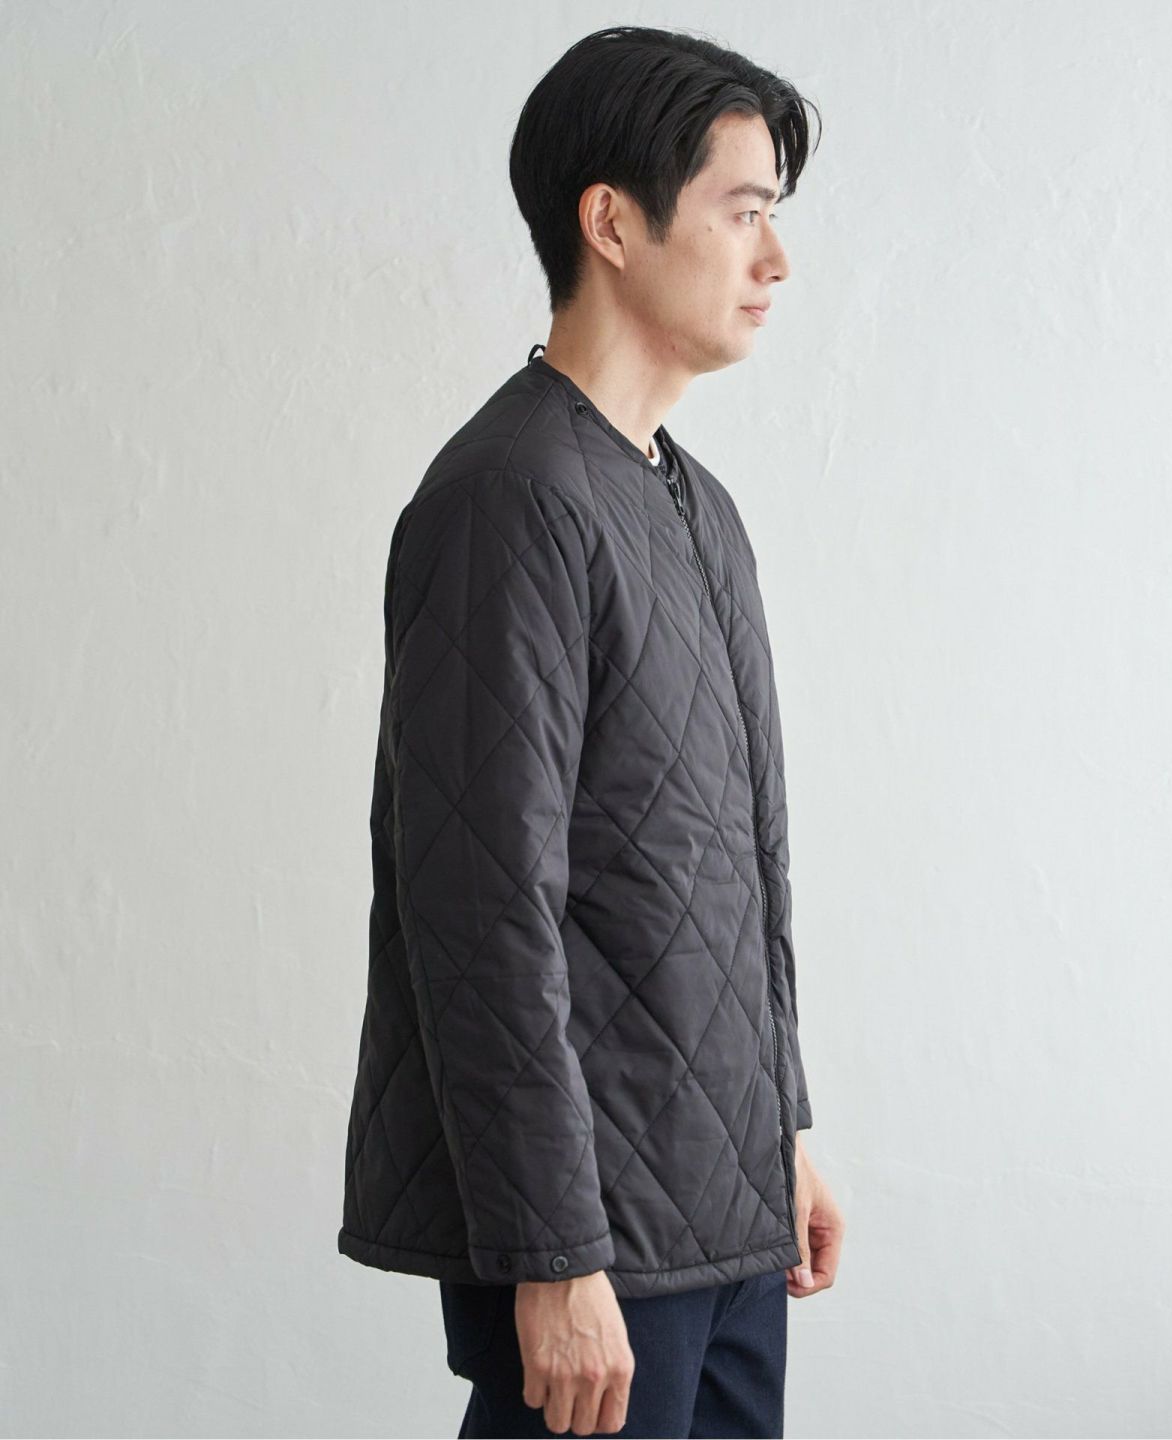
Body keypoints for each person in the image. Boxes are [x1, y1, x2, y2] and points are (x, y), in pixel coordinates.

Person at [337, 24, 845, 1438]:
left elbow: (737, 866)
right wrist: (551, 1252)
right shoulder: (510, 500)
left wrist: (783, 1129)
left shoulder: (700, 509)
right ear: (612, 223)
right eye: (742, 211)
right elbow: (480, 905)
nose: (775, 258)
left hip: (725, 1216)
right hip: (596, 1241)